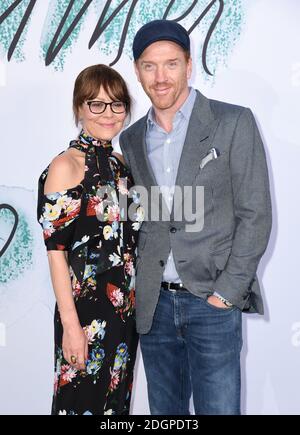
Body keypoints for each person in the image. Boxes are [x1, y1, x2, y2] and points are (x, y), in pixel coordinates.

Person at [119, 20, 272, 415]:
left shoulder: (233, 121)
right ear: (137, 71)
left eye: (171, 64)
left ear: (189, 65)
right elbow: (146, 218)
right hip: (155, 309)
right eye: (149, 66)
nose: (160, 76)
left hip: (212, 303)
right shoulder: (131, 138)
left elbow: (255, 214)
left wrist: (226, 293)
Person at [37, 64, 142, 415]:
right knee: (78, 405)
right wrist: (71, 326)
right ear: (79, 108)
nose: (108, 113)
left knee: (115, 409)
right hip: (84, 315)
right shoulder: (65, 166)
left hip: (124, 311)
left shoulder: (121, 165)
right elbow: (56, 253)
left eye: (116, 104)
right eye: (96, 104)